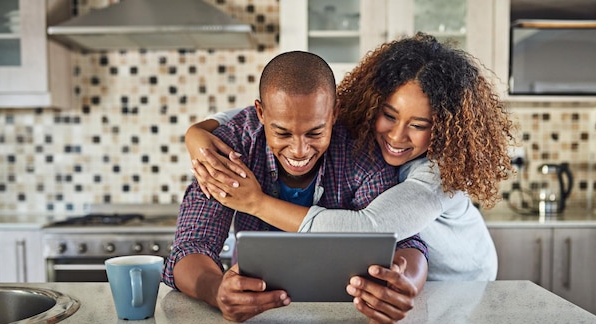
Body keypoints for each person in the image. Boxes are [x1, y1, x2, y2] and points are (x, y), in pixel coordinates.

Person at [187, 33, 516, 282]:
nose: (396, 135)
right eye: (389, 115)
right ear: (373, 103)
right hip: (407, 282)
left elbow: (368, 228)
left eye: (418, 125)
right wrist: (200, 131)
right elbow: (282, 116)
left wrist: (255, 203)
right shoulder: (355, 136)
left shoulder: (438, 174)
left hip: (463, 282)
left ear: (444, 125)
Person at [164, 50, 429, 324]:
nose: (299, 150)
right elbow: (192, 245)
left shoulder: (361, 148)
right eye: (283, 133)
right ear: (260, 113)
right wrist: (217, 291)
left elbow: (406, 241)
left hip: (343, 318)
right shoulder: (231, 146)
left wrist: (403, 282)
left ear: (334, 113)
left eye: (315, 132)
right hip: (257, 319)